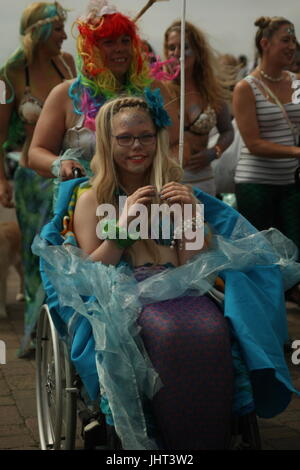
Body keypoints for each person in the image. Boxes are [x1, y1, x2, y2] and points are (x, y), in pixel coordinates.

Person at [33, 94, 300, 450]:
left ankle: (209, 428)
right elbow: (91, 273)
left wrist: (192, 218)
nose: (136, 146)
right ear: (107, 142)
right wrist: (123, 229)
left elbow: (196, 268)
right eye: (124, 138)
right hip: (123, 294)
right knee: (170, 334)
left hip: (182, 289)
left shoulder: (176, 191)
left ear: (157, 139)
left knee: (215, 329)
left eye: (144, 136)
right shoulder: (93, 199)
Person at [0, 1, 76, 356]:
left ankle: (61, 326)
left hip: (69, 175)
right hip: (31, 180)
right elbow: (0, 135)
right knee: (35, 255)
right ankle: (33, 329)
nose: (65, 35)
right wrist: (2, 180)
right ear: (41, 30)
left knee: (67, 249)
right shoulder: (10, 72)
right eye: (59, 28)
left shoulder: (68, 65)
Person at [28, 0, 165, 182]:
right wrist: (60, 163)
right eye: (109, 42)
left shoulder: (153, 90)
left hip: (141, 201)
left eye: (125, 41)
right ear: (90, 49)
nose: (120, 49)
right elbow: (36, 153)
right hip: (85, 201)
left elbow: (174, 144)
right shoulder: (66, 94)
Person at [233, 16, 300, 305]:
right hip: (256, 186)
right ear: (265, 44)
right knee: (262, 256)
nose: (292, 46)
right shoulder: (246, 87)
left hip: (292, 183)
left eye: (293, 40)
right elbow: (253, 143)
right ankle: (269, 321)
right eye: (285, 40)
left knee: (295, 250)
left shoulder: (297, 82)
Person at [162, 20, 234, 196]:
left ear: (198, 52)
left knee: (203, 224)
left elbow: (227, 131)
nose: (177, 53)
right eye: (172, 48)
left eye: (184, 46)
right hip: (168, 182)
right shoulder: (159, 90)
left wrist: (214, 152)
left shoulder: (211, 91)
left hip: (204, 182)